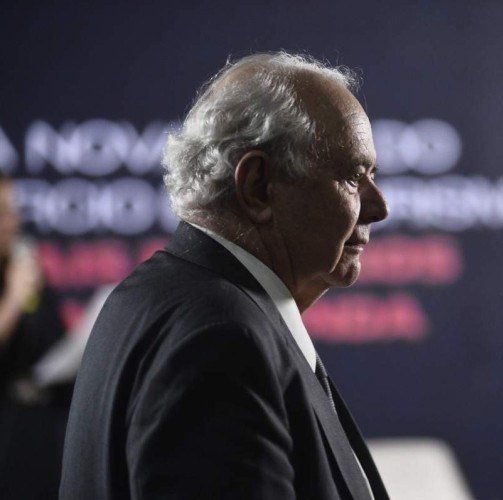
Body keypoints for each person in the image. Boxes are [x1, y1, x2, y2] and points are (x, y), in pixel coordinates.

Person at [60, 52, 390, 499]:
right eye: (352, 176)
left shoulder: (156, 295)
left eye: (372, 175)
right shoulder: (223, 339)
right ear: (257, 186)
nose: (379, 207)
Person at [0, 173, 71, 499]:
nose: (11, 223)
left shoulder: (24, 267)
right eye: (2, 213)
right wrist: (14, 299)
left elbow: (56, 340)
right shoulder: (17, 283)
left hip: (39, 431)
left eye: (13, 211)